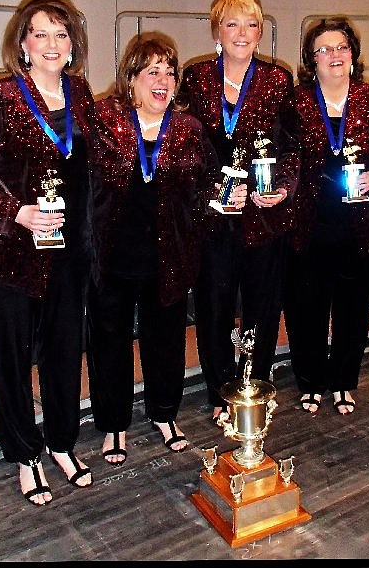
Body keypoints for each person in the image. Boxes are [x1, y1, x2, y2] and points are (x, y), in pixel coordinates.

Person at [0, 0, 96, 506]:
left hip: (67, 256)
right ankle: (25, 455)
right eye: (41, 33)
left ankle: (61, 443)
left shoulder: (80, 95)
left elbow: (93, 168)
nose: (52, 43)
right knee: (12, 362)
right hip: (10, 256)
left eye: (61, 34)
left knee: (63, 355)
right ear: (23, 42)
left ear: (72, 44)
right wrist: (17, 212)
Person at [86, 35, 227, 465]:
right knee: (109, 341)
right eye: (152, 72)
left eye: (169, 71)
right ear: (131, 79)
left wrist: (221, 200)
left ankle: (165, 414)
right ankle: (113, 426)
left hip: (167, 257)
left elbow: (206, 187)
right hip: (111, 256)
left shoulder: (188, 129)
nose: (162, 80)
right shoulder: (104, 119)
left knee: (165, 340)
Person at [177, 0, 300, 425]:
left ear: (261, 31)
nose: (242, 32)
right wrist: (214, 189)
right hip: (214, 216)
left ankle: (255, 385)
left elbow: (290, 147)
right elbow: (184, 145)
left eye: (251, 24)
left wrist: (282, 188)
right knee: (213, 304)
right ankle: (218, 390)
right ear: (217, 31)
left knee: (263, 305)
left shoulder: (276, 79)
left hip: (263, 215)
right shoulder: (193, 78)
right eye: (232, 23)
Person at [283, 17, 369, 415]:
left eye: (341, 47)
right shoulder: (298, 102)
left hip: (364, 223)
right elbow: (285, 157)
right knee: (308, 308)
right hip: (310, 221)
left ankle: (343, 383)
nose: (333, 55)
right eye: (324, 49)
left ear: (352, 55)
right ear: (311, 60)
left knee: (355, 307)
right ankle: (311, 382)